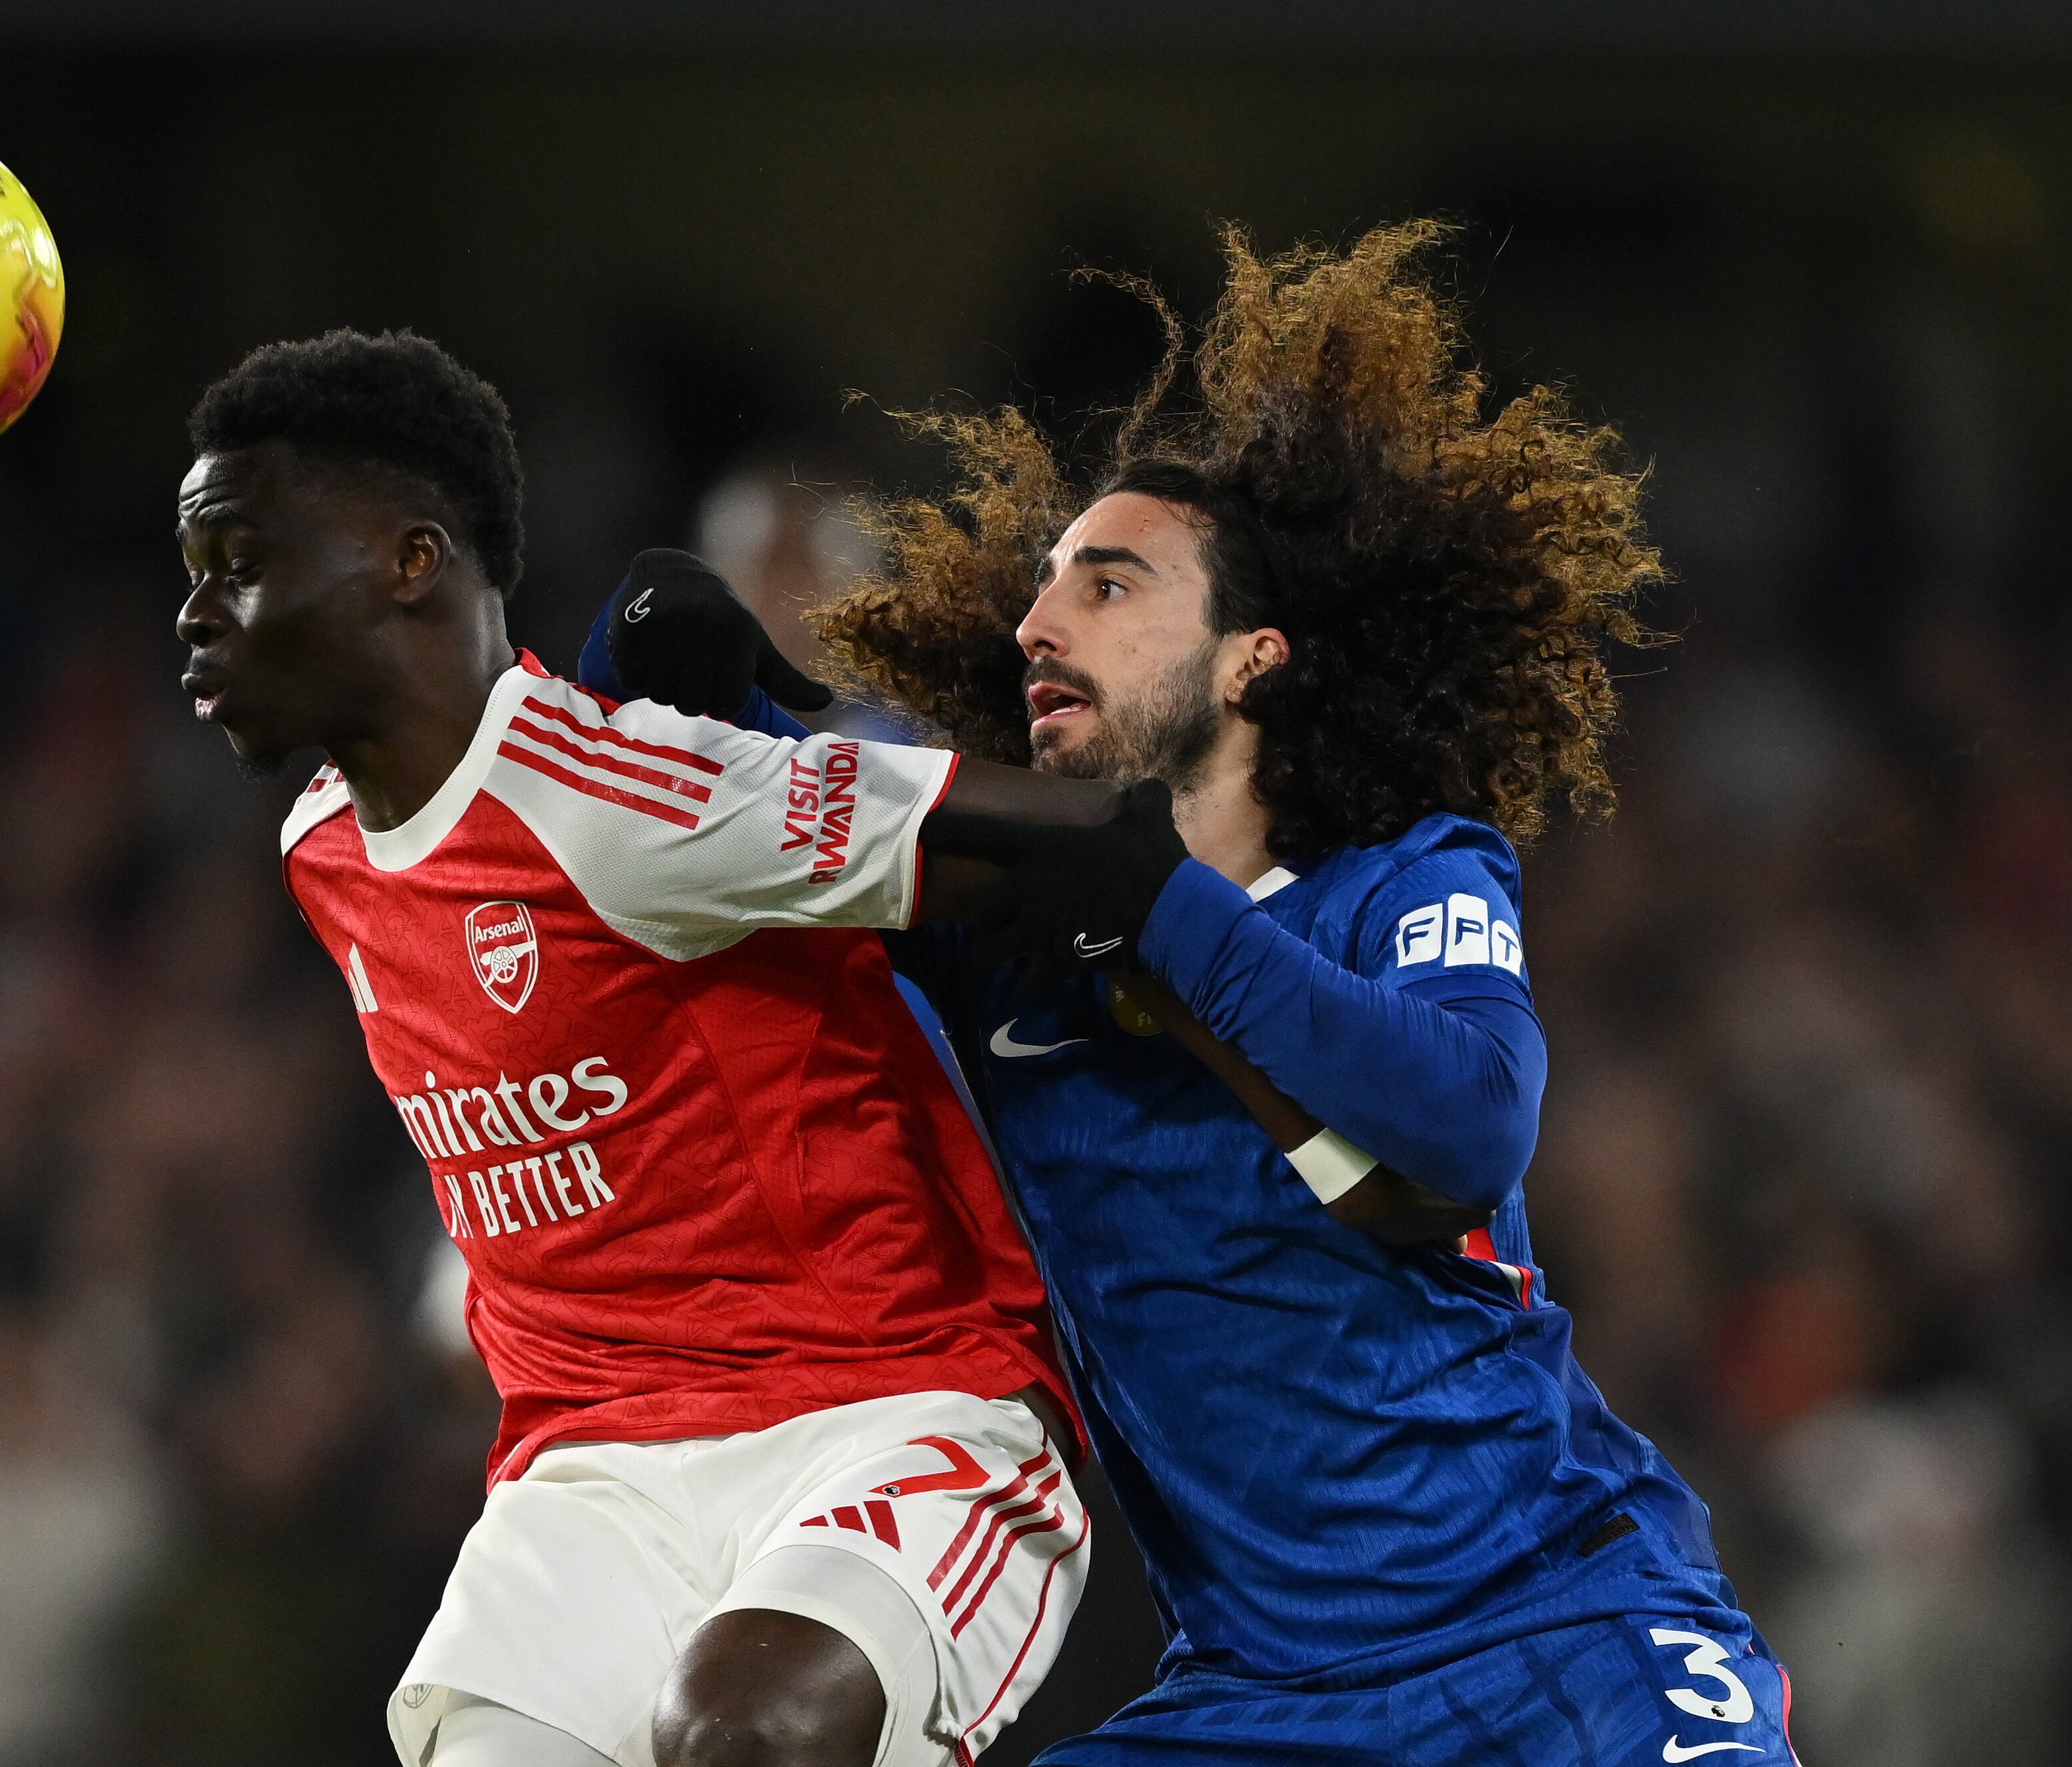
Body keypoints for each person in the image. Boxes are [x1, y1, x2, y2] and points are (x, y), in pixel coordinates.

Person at [583, 222, 1803, 1764]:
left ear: (1249, 661)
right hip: (1255, 1700)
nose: (1038, 623)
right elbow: (668, 831)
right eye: (1040, 591)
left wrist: (1156, 910)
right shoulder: (995, 941)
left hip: (1555, 1634)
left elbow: (1469, 1122)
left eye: (1108, 586)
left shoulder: (1399, 874)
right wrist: (652, 669)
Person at [172, 328, 1114, 1767]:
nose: (195, 614)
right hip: (595, 1471)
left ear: (412, 562)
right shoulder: (321, 849)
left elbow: (1064, 840)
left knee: (749, 1732)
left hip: (881, 1410)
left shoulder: (616, 795)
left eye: (239, 563)